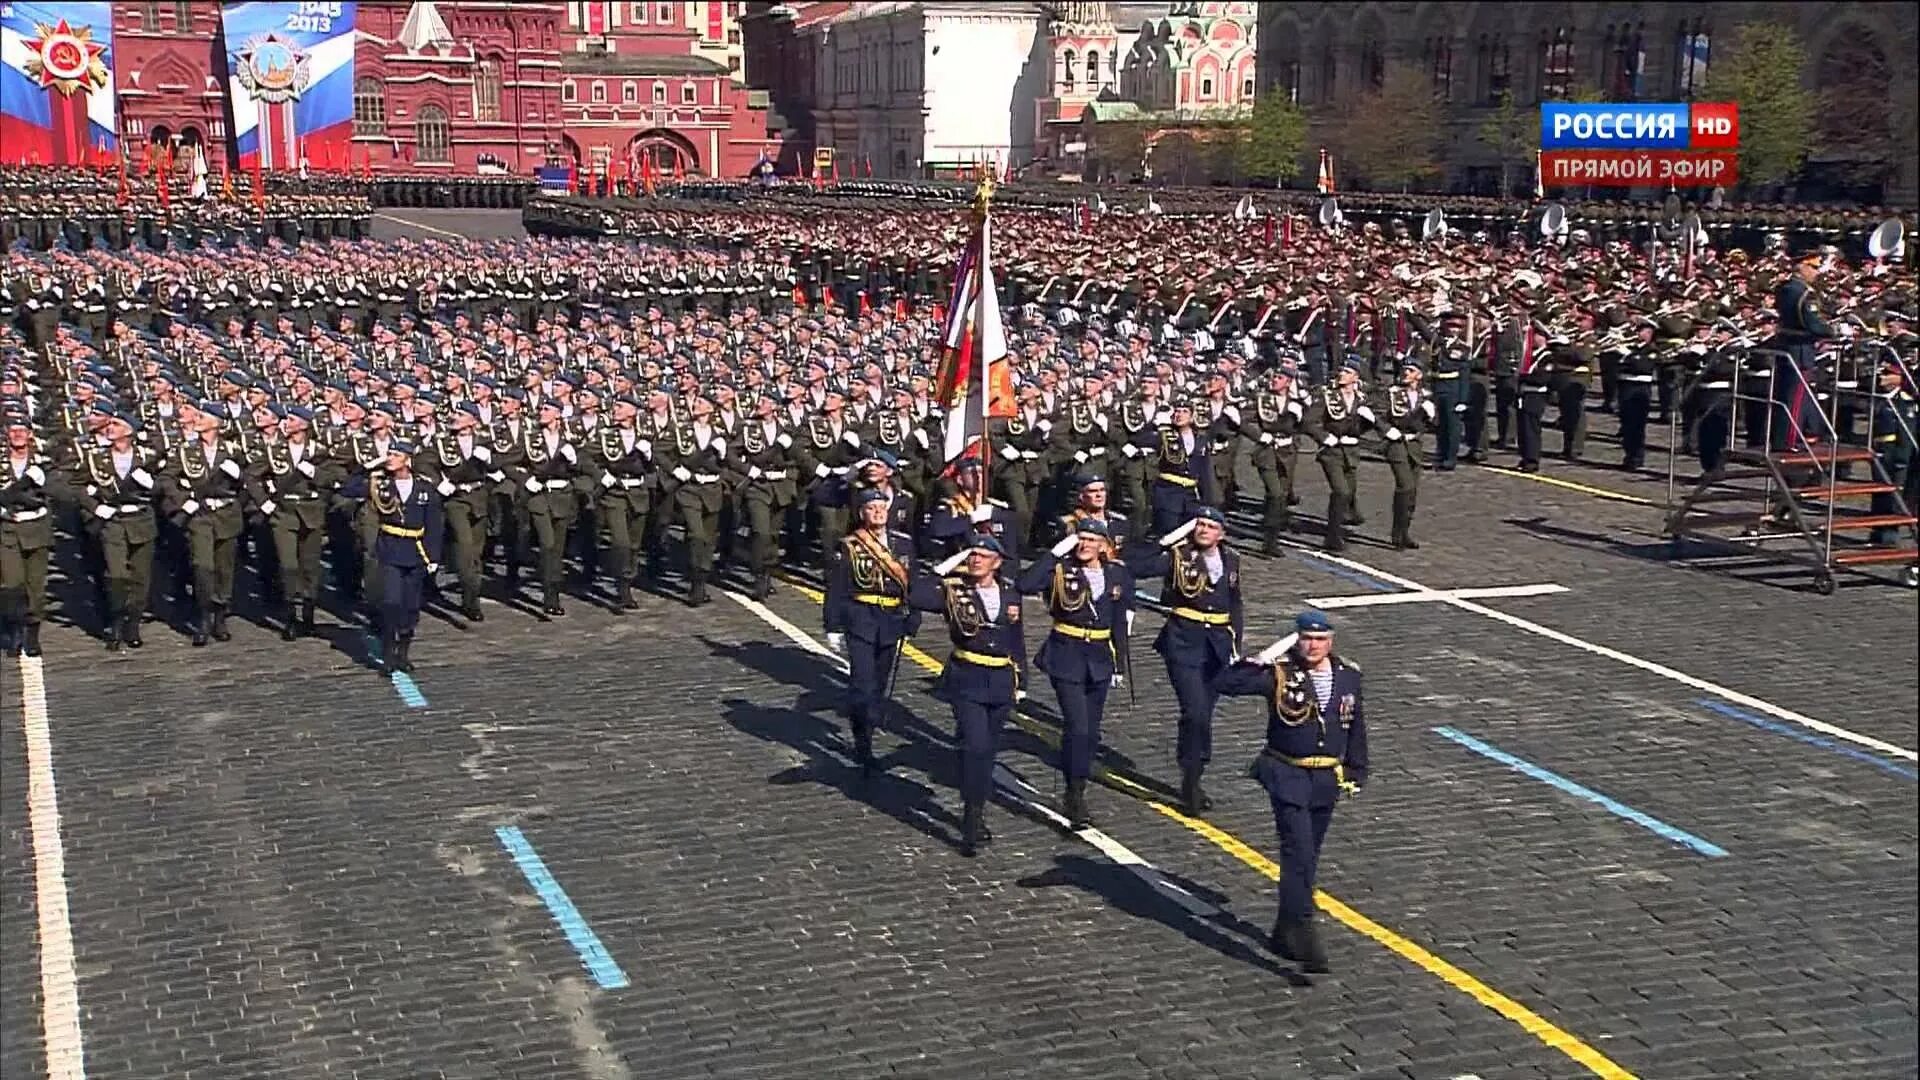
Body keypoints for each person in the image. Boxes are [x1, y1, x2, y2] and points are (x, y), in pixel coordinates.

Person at [1214, 610, 1368, 974]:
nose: (1312, 646)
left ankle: (1283, 929)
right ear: (1296, 639)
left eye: (1319, 639)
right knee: (1297, 850)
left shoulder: (1348, 675)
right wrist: (1263, 657)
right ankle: (1303, 927)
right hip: (1287, 773)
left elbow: (1355, 723)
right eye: (1305, 638)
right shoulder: (1280, 674)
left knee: (1307, 855)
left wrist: (1357, 769)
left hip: (1326, 779)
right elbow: (1226, 682)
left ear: (1330, 642)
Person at [1126, 505, 1244, 816]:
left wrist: (1236, 643)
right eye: (1199, 525)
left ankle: (1194, 773)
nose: (1204, 530)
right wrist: (1165, 541)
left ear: (1222, 533)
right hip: (1183, 644)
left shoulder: (1231, 560)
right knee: (1194, 711)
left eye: (1210, 526)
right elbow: (1133, 565)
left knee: (1204, 715)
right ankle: (1190, 782)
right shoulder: (1178, 557)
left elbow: (1235, 603)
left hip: (1217, 647)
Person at [910, 535, 1024, 855]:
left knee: (987, 751)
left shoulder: (1009, 590)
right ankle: (972, 818)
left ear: (997, 562)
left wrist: (1022, 679)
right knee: (976, 746)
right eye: (972, 555)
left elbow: (1016, 639)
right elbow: (917, 595)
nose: (976, 560)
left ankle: (976, 803)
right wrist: (946, 565)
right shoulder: (953, 589)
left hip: (1001, 678)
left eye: (983, 556)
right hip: (967, 677)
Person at [1017, 517, 1134, 828]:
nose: (1085, 545)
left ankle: (1076, 778)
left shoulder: (1116, 573)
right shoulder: (1059, 570)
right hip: (1065, 655)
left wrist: (1120, 662)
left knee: (1090, 732)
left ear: (1103, 545)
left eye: (1092, 540)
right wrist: (1056, 552)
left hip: (1099, 658)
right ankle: (1075, 793)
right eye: (1080, 539)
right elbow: (1025, 584)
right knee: (1078, 725)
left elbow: (1119, 621)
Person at [824, 487, 917, 773]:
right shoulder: (850, 545)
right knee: (862, 684)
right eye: (871, 508)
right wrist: (833, 625)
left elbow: (912, 584)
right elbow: (837, 587)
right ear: (861, 513)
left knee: (878, 682)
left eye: (881, 507)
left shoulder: (903, 544)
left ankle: (868, 721)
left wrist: (914, 615)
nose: (877, 512)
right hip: (860, 618)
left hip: (891, 619)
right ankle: (862, 740)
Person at [347, 440, 444, 675]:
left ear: (407, 460)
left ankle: (404, 652)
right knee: (391, 602)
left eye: (395, 454)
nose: (390, 457)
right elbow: (346, 489)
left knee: (410, 606)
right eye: (388, 453)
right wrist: (365, 468)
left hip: (415, 550)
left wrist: (433, 557)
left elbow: (434, 525)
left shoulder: (424, 489)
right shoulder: (380, 485)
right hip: (390, 550)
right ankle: (389, 653)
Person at [1, 408, 57, 657]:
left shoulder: (42, 461)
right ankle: (14, 629)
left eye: (21, 431)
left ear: (30, 435)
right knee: (12, 584)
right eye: (12, 431)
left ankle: (32, 633)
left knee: (36, 585)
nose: (17, 435)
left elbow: (58, 491)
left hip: (36, 528)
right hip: (8, 528)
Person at [1379, 359, 1435, 550]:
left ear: (1419, 375)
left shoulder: (1426, 396)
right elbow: (1386, 418)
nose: (1406, 373)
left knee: (1412, 492)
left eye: (1410, 370)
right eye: (1404, 369)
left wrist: (1433, 416)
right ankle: (1397, 532)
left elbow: (1431, 426)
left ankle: (1404, 531)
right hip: (1397, 443)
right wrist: (1387, 431)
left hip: (1415, 445)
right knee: (1405, 485)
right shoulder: (1392, 393)